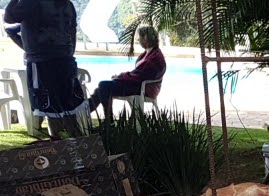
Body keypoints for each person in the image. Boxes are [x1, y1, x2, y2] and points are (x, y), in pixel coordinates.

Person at [3, 0, 86, 139]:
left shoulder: (31, 2)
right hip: (66, 61)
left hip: (43, 64)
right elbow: (72, 32)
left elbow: (9, 18)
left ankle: (61, 151)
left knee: (51, 111)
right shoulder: (67, 4)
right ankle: (80, 149)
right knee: (69, 111)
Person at [87, 26, 165, 119]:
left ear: (146, 39)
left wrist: (120, 77)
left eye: (140, 38)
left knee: (103, 86)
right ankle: (88, 111)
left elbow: (140, 76)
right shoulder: (149, 54)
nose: (138, 40)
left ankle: (95, 115)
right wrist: (121, 77)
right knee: (101, 89)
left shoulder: (155, 58)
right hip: (136, 85)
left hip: (142, 89)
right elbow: (138, 73)